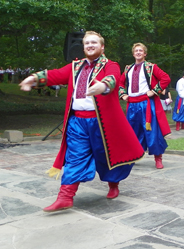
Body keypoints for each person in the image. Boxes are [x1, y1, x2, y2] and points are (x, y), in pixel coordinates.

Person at [19, 31, 145, 212]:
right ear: (83, 47)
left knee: (105, 156)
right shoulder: (75, 66)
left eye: (94, 42)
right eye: (87, 43)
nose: (90, 45)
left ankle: (113, 184)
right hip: (77, 122)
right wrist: (33, 78)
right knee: (74, 157)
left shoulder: (111, 65)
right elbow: (56, 75)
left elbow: (112, 78)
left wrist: (102, 86)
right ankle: (65, 196)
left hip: (102, 124)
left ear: (102, 47)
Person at [119, 43, 171, 169]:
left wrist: (154, 91)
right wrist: (123, 94)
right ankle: (132, 157)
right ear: (133, 53)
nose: (138, 52)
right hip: (132, 105)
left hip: (146, 104)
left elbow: (165, 78)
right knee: (131, 132)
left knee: (152, 131)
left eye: (140, 51)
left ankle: (158, 158)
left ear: (144, 53)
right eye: (136, 51)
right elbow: (120, 83)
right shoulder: (128, 69)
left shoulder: (150, 67)